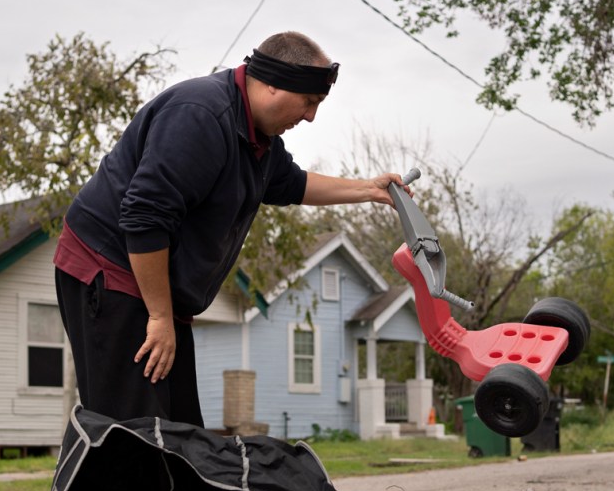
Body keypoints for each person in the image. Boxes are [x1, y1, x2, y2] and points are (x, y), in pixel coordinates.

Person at [54, 30, 406, 426]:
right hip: (111, 272)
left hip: (156, 291)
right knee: (129, 431)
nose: (310, 116)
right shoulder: (200, 117)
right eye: (309, 102)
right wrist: (158, 316)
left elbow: (291, 183)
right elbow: (144, 217)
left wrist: (368, 189)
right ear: (273, 83)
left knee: (180, 429)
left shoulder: (258, 138)